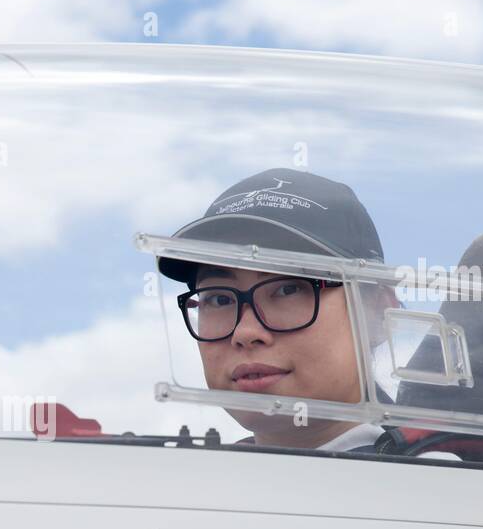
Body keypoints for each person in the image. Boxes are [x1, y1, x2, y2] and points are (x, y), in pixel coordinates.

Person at [157, 168, 455, 458]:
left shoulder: (444, 488)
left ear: (378, 310)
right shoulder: (181, 491)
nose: (245, 333)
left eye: (288, 290)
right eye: (219, 299)